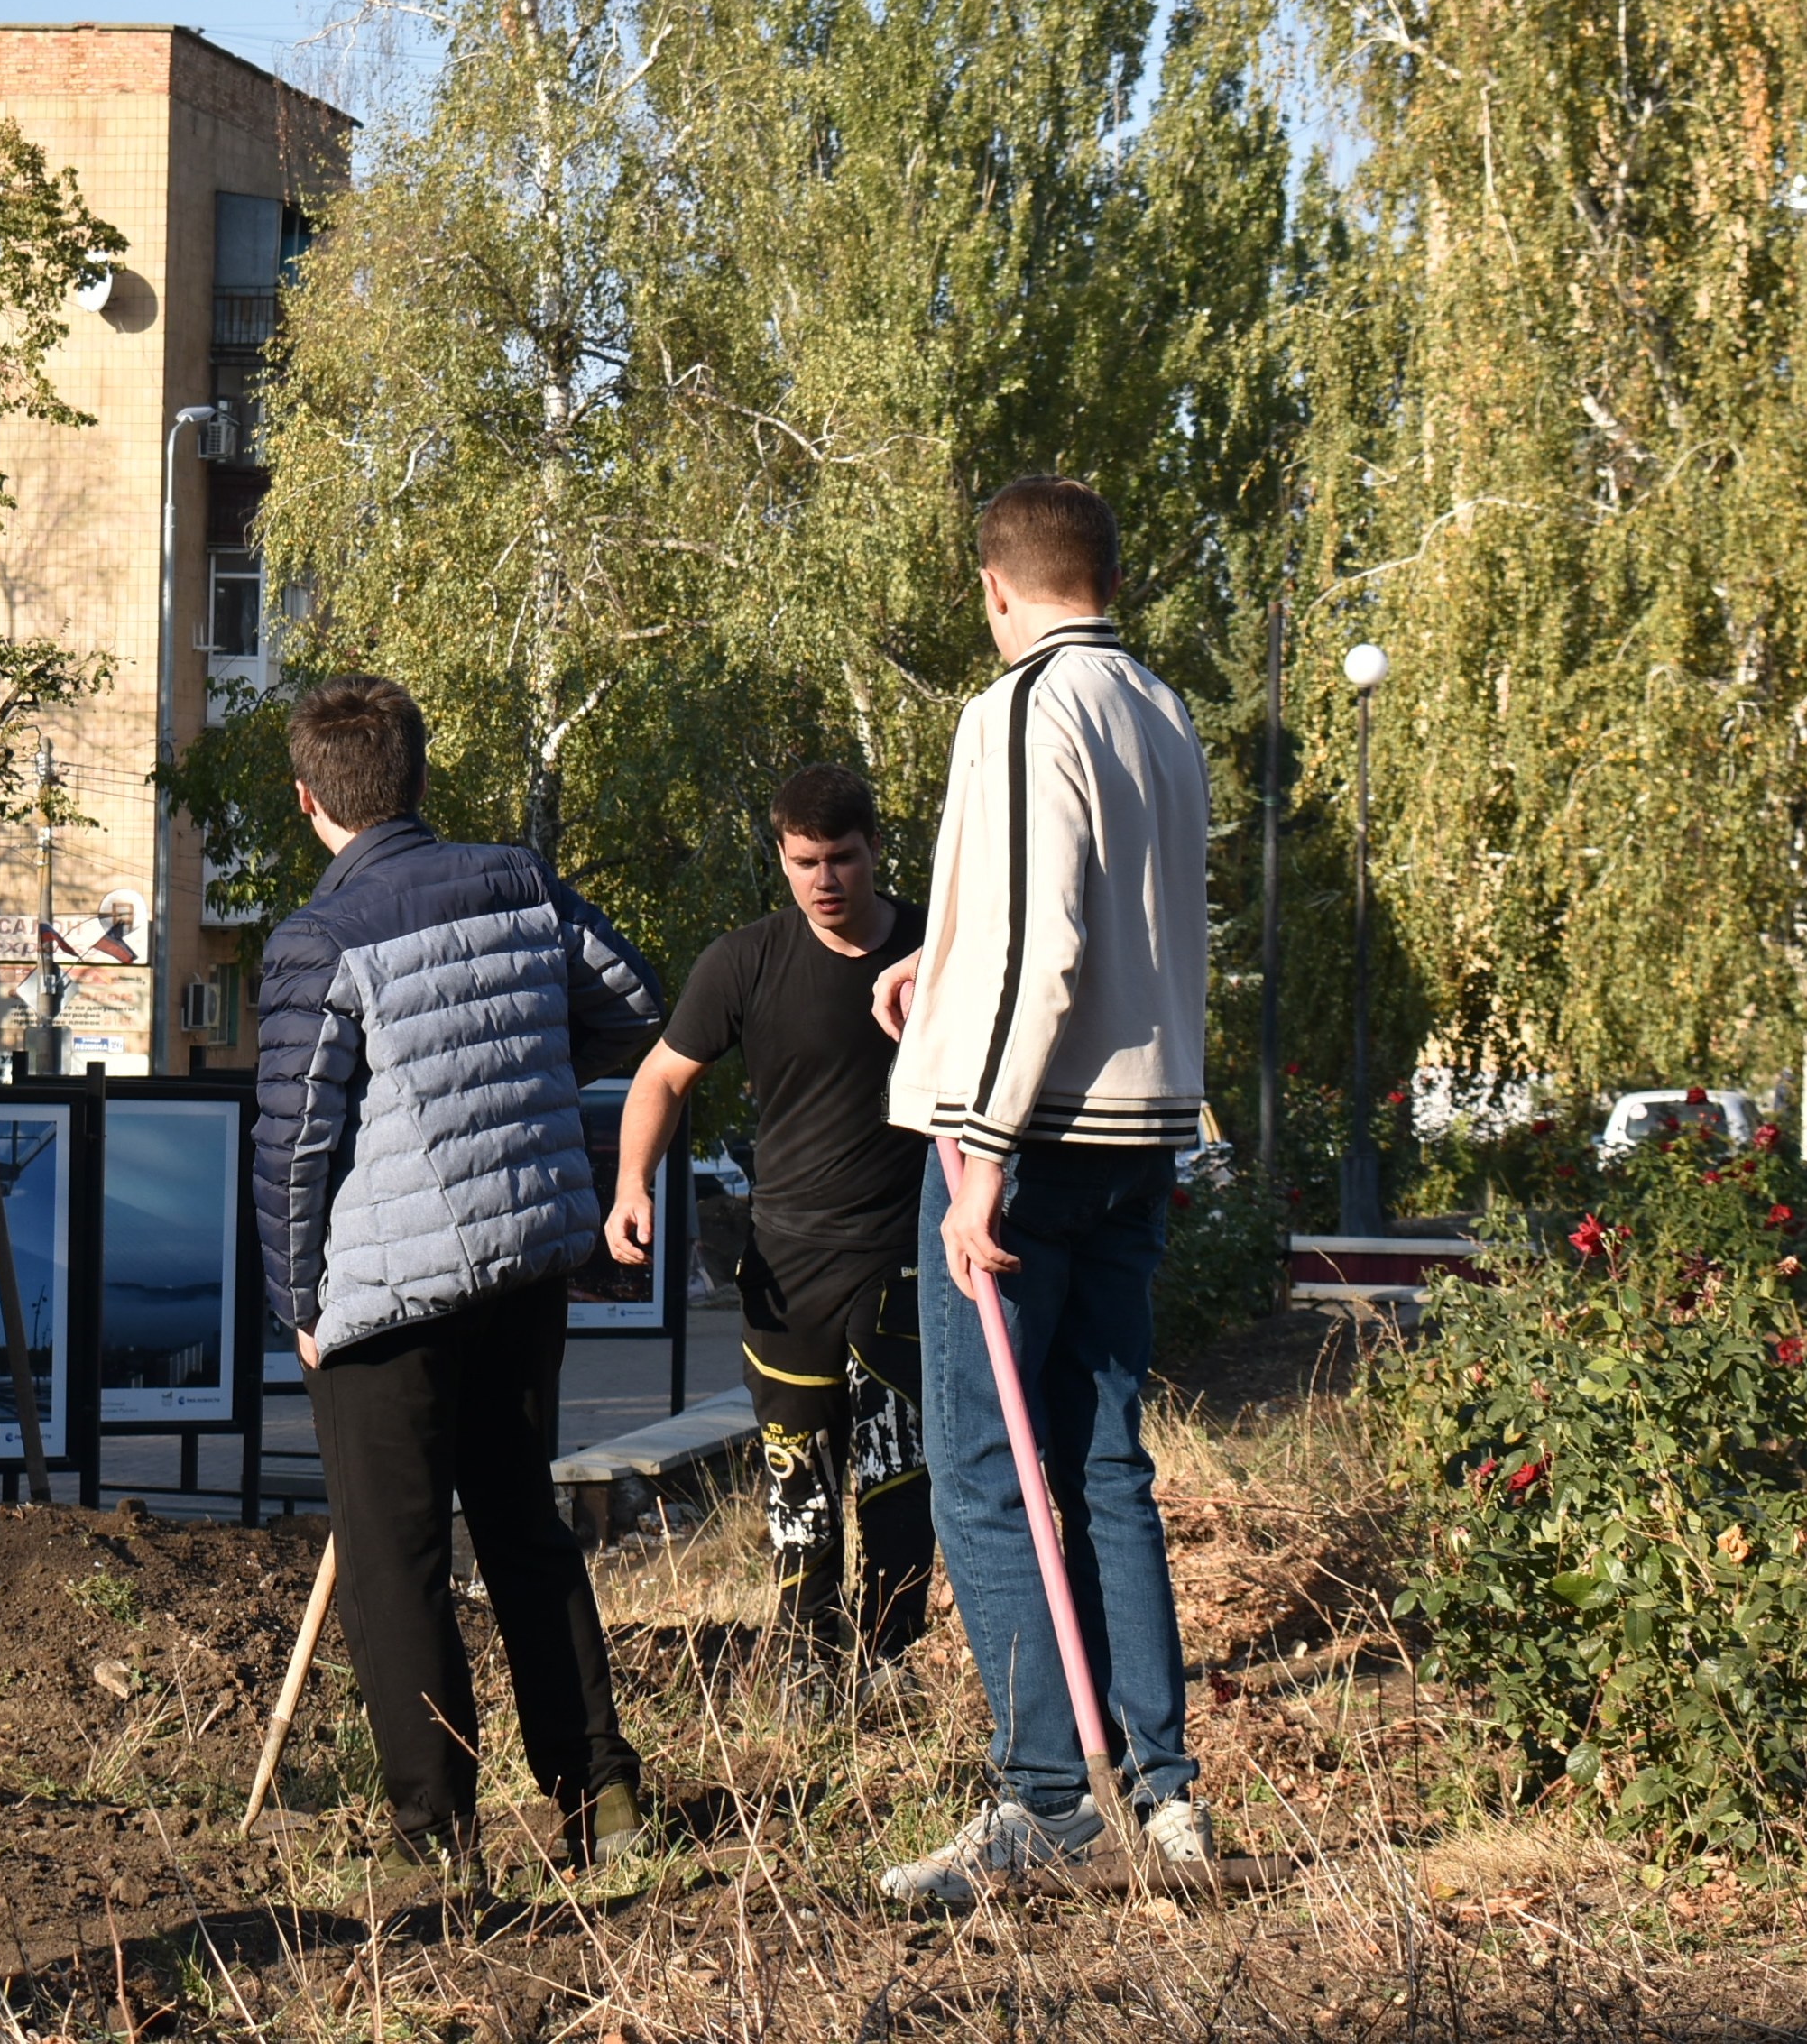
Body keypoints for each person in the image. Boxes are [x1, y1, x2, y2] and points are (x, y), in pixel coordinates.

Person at [253, 676, 668, 1892]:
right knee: (519, 1523)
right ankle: (600, 1794)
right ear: (415, 777)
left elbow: (291, 1148)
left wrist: (297, 1305)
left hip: (384, 1300)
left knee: (395, 1563)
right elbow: (634, 1005)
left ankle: (439, 1842)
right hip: (524, 1264)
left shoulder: (316, 941)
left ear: (307, 801)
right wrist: (537, 1071)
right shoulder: (517, 884)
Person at [870, 477, 1214, 1899]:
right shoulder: (1161, 709)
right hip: (1137, 1133)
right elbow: (1084, 927)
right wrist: (928, 970)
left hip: (1018, 1144)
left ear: (993, 588)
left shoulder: (1018, 709)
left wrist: (983, 1161)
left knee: (982, 1474)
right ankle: (1162, 1790)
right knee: (1105, 1468)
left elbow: (1043, 941)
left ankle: (1040, 1799)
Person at [613, 763, 931, 1700]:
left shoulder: (932, 947)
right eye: (805, 861)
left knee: (897, 1481)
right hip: (787, 1266)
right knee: (801, 1491)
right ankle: (804, 1661)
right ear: (781, 859)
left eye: (842, 858)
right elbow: (663, 1076)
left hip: (906, 1260)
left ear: (875, 850)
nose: (825, 879)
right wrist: (632, 1181)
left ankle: (893, 1666)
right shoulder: (745, 961)